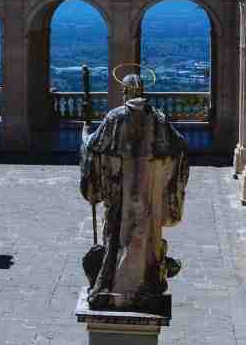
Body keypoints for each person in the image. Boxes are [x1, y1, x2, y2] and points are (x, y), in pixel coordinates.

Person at [80, 71, 189, 312]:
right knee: (146, 239)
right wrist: (162, 178)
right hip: (149, 198)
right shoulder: (158, 119)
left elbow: (93, 148)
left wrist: (84, 135)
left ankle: (109, 288)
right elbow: (180, 146)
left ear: (126, 92)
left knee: (115, 240)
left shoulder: (115, 117)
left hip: (119, 196)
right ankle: (147, 284)